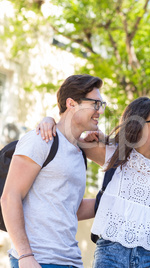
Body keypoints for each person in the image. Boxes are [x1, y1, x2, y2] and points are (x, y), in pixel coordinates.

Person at [37, 97, 150, 268]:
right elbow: (68, 137)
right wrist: (49, 121)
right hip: (110, 255)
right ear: (136, 125)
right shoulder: (115, 155)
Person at [1, 74, 105, 268]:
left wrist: (111, 200)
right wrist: (25, 256)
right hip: (38, 260)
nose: (100, 111)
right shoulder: (41, 139)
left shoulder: (79, 153)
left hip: (71, 261)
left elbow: (72, 207)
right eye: (95, 104)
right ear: (72, 104)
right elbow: (10, 197)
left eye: (102, 105)